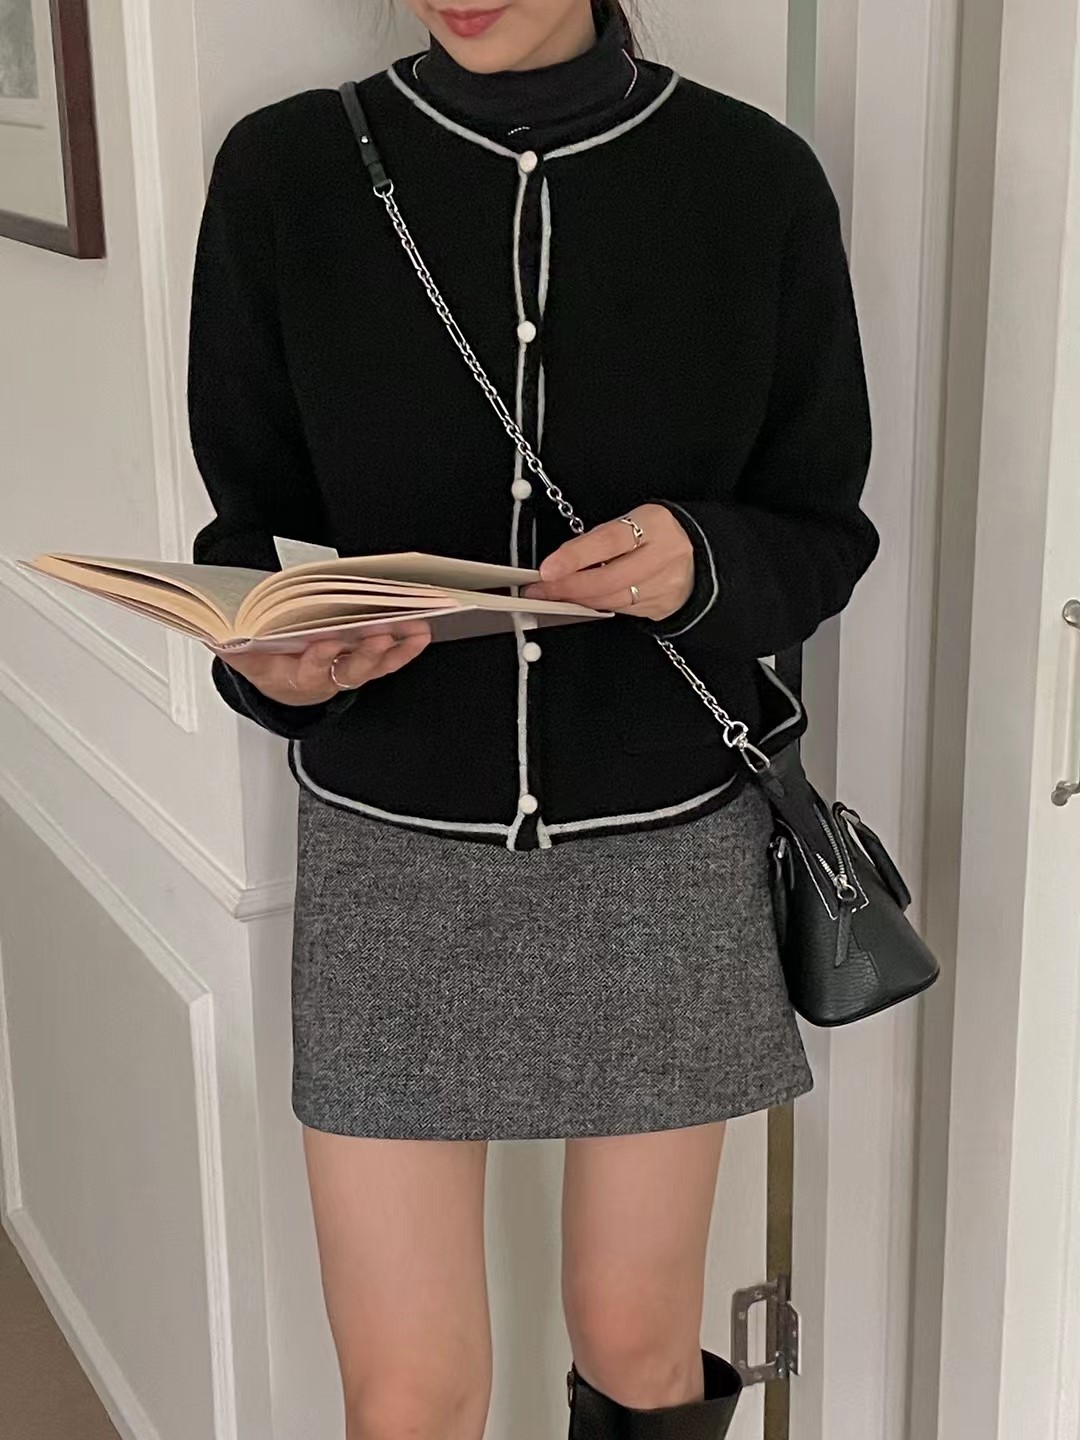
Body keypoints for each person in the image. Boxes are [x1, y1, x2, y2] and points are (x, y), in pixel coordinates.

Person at [186, 1, 877, 1436]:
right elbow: (251, 536)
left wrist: (703, 559)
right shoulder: (287, 172)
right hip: (392, 854)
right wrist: (272, 663)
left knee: (638, 1349)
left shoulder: (752, 179)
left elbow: (822, 531)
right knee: (408, 1399)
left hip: (662, 845)